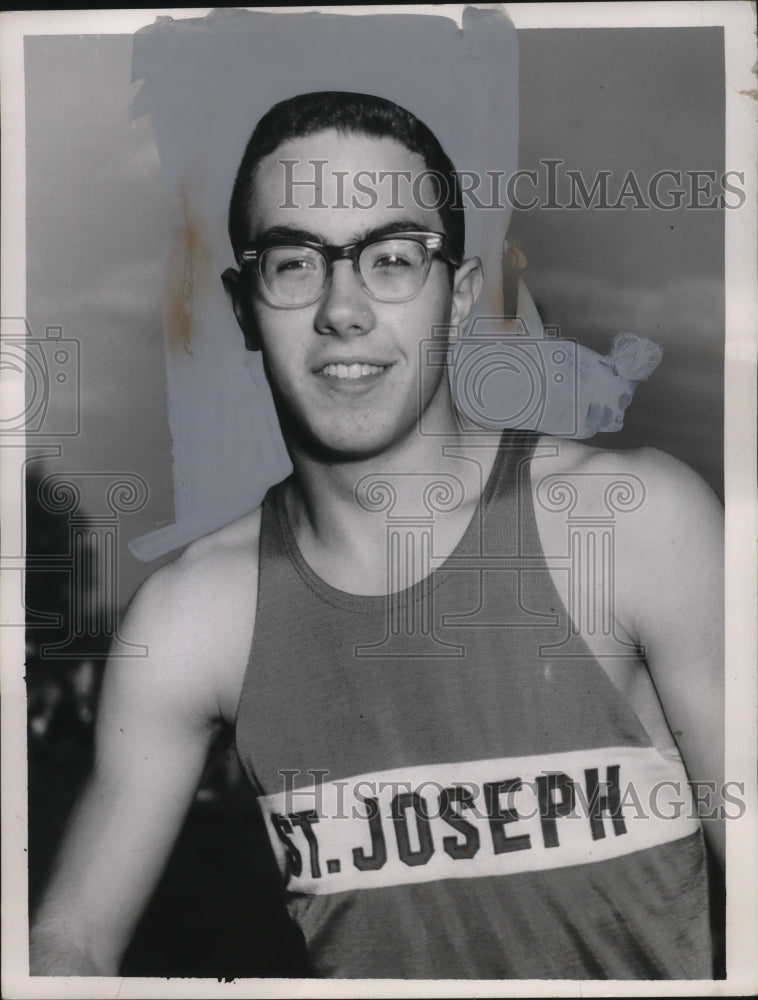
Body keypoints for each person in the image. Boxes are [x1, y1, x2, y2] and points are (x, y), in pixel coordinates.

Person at [30, 91, 724, 979]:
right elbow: (70, 944)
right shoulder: (192, 617)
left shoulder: (637, 524)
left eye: (392, 259)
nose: (344, 310)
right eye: (295, 262)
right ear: (245, 306)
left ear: (461, 296)